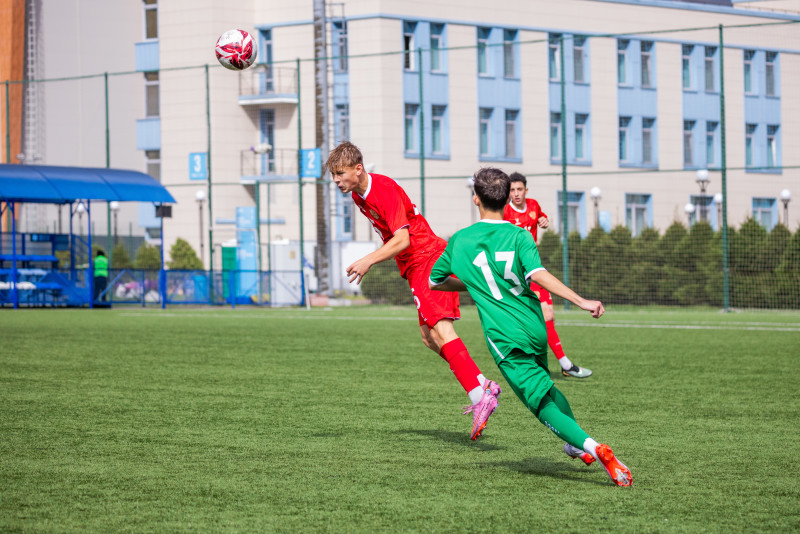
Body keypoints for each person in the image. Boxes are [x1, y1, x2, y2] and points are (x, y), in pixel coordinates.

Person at [429, 168, 632, 486]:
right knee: (547, 388)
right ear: (507, 197)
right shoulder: (520, 235)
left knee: (538, 403)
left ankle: (595, 446)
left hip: (504, 337)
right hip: (535, 327)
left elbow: (435, 280)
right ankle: (574, 444)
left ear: (476, 199)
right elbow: (538, 274)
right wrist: (580, 301)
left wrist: (476, 283)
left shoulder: (460, 241)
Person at [325, 141, 501, 440]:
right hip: (415, 264)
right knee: (429, 338)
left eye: (340, 173)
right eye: (333, 176)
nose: (336, 180)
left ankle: (478, 394)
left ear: (358, 168)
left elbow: (403, 240)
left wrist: (368, 260)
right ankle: (481, 383)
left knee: (440, 330)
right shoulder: (358, 195)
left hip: (426, 259)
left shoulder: (383, 190)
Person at [503, 172, 591, 379]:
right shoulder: (505, 212)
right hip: (513, 273)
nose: (516, 194)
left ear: (526, 190)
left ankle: (564, 364)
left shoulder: (533, 205)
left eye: (519, 189)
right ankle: (530, 364)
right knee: (520, 320)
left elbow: (541, 217)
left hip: (532, 270)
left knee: (547, 315)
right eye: (512, 190)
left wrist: (544, 221)